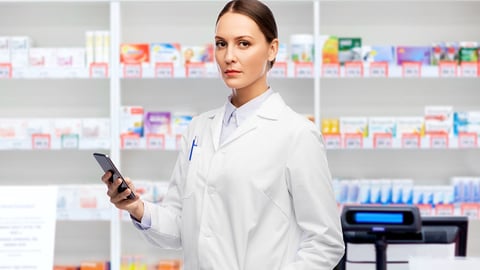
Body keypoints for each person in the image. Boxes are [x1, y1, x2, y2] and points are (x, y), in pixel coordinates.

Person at [101, 0, 345, 269]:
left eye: (244, 44)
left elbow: (325, 242)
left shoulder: (297, 134)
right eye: (221, 43)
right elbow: (181, 226)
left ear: (272, 49)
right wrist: (136, 207)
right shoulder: (199, 129)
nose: (229, 56)